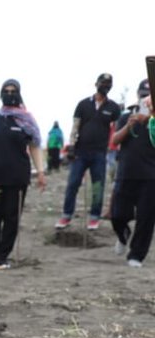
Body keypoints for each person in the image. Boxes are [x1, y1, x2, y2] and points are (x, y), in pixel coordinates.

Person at [0, 79, 47, 271]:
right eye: (6, 91)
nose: (10, 94)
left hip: (17, 179)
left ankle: (3, 257)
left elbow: (34, 147)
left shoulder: (26, 120)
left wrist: (41, 172)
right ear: (1, 93)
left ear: (19, 94)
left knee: (11, 218)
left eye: (13, 91)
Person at [56, 73, 121, 230]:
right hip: (80, 152)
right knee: (73, 184)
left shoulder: (113, 107)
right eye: (103, 83)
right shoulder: (83, 104)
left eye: (108, 84)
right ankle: (66, 215)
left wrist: (117, 148)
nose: (105, 86)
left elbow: (117, 130)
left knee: (98, 186)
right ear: (96, 83)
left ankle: (94, 217)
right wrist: (71, 146)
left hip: (99, 153)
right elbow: (75, 126)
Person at [109, 81, 155, 268]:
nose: (145, 99)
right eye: (142, 94)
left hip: (151, 176)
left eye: (148, 95)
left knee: (146, 218)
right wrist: (129, 126)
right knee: (118, 215)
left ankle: (136, 255)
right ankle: (122, 234)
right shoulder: (127, 115)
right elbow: (114, 140)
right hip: (126, 172)